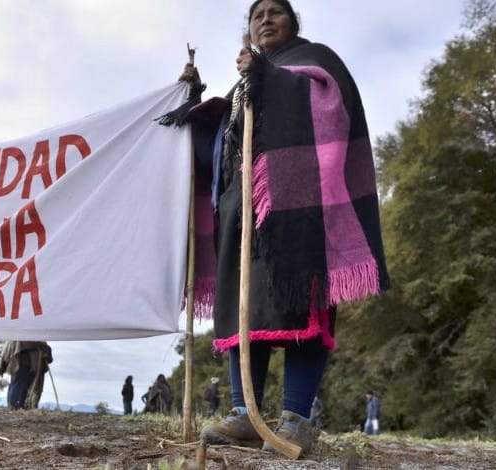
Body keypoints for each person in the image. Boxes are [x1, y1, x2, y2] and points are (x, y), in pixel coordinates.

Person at [171, 0, 390, 456]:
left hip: (297, 207)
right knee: (244, 309)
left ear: (293, 23)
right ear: (248, 30)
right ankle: (245, 416)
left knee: (299, 305)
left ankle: (297, 419)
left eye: (275, 11)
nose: (265, 19)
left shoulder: (314, 61)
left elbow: (329, 105)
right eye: (256, 15)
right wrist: (190, 103)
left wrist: (266, 78)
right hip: (240, 211)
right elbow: (217, 148)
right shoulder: (242, 85)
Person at [0, 341, 53, 410]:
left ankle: (18, 406)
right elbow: (28, 343)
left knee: (22, 387)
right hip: (22, 362)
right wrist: (41, 345)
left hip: (27, 363)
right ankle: (14, 407)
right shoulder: (23, 339)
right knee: (17, 386)